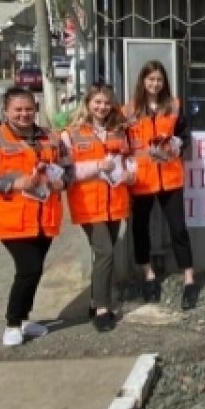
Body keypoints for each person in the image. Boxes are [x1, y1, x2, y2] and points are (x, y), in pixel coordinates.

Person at [0, 87, 70, 347]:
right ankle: (12, 323)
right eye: (18, 110)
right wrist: (14, 184)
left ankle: (24, 319)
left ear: (35, 110)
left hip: (44, 216)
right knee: (28, 269)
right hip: (12, 218)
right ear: (5, 111)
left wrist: (63, 182)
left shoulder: (50, 137)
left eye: (28, 109)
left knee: (34, 272)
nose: (24, 114)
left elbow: (68, 167)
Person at [125, 61, 198, 310]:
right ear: (143, 81)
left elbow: (186, 135)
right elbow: (121, 143)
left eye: (159, 79)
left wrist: (177, 143)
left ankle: (189, 278)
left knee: (178, 228)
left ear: (164, 81)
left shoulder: (174, 106)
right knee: (140, 229)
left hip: (170, 176)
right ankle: (148, 275)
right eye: (150, 79)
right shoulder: (129, 111)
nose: (155, 84)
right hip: (142, 180)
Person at [62, 83, 134, 332]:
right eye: (97, 102)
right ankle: (103, 309)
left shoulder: (119, 131)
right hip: (88, 204)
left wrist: (128, 175)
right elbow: (67, 172)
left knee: (105, 252)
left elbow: (128, 161)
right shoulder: (71, 134)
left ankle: (95, 300)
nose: (102, 107)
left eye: (106, 103)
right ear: (88, 103)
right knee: (105, 252)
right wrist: (96, 167)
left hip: (115, 202)